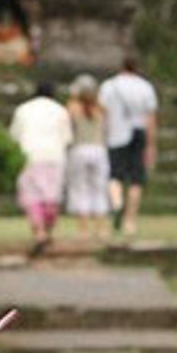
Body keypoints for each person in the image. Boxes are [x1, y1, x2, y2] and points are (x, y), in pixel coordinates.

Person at [9, 81, 73, 256]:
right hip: (54, 156)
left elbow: (14, 136)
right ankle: (46, 230)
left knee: (32, 196)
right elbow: (67, 139)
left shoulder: (23, 109)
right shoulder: (60, 110)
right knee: (51, 196)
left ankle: (39, 233)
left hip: (29, 155)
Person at [99, 56, 158, 237]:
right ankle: (130, 221)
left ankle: (117, 204)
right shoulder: (145, 87)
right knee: (136, 179)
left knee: (114, 175)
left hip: (116, 134)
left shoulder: (109, 86)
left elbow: (103, 114)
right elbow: (150, 119)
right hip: (138, 133)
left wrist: (103, 136)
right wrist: (151, 145)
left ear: (121, 66)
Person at [65, 73, 110, 239]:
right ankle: (101, 228)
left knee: (79, 188)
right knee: (99, 188)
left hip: (79, 149)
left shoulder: (72, 107)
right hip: (99, 150)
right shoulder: (101, 108)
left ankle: (83, 229)